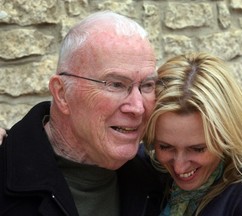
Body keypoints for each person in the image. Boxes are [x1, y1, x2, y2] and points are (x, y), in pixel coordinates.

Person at [0, 11, 168, 216]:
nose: (137, 107)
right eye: (116, 84)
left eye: (147, 85)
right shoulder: (6, 170)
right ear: (62, 94)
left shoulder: (165, 182)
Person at [143, 52, 242, 215]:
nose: (179, 166)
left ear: (227, 135)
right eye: (165, 147)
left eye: (198, 149)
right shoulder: (147, 175)